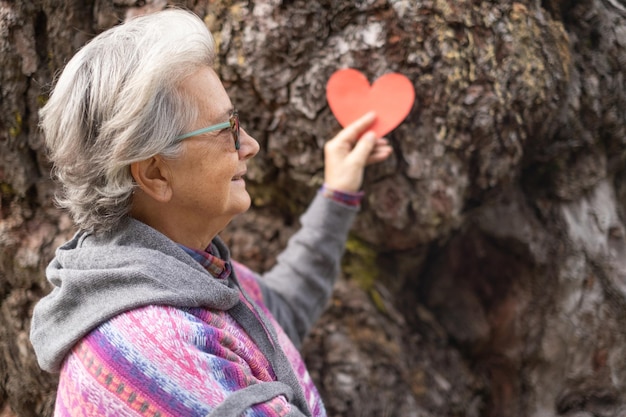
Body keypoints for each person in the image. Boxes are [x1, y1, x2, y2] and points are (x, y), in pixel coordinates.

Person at [30, 8, 392, 417]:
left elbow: (276, 317)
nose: (250, 145)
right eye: (225, 129)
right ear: (154, 173)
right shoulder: (157, 344)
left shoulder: (178, 272)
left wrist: (337, 194)